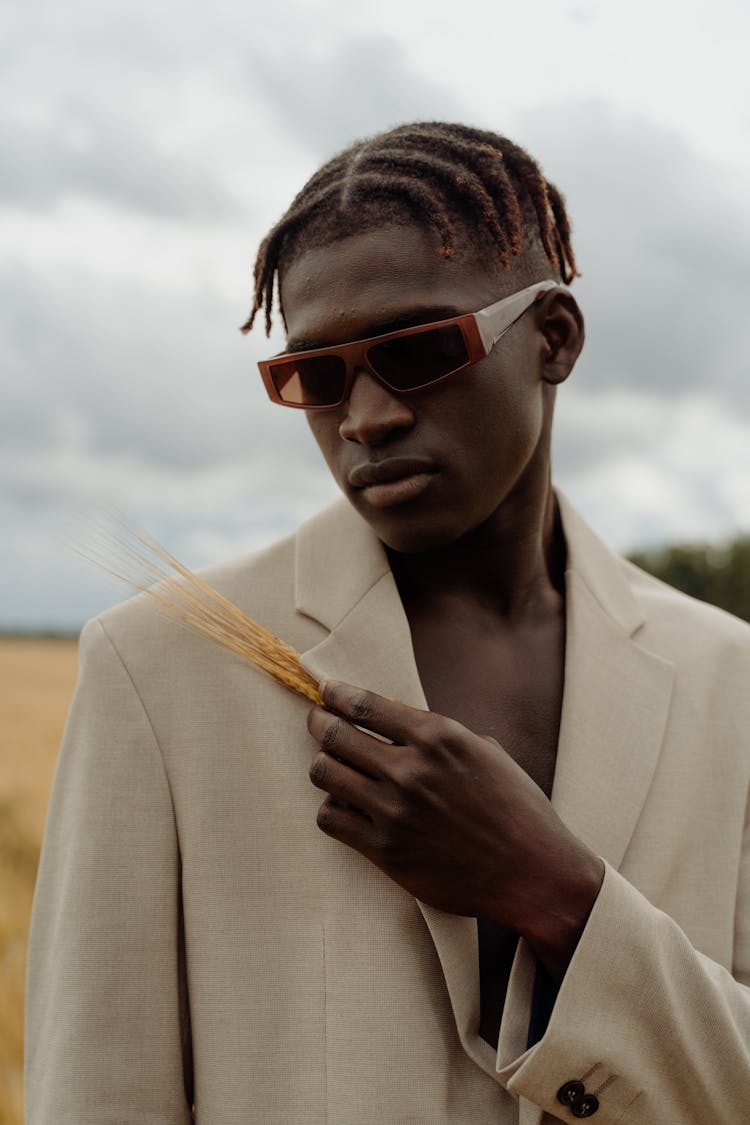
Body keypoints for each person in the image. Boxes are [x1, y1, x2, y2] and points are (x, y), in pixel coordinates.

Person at [25, 122, 750, 1124]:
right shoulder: (159, 668)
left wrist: (559, 897)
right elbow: (99, 1095)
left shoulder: (731, 681)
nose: (364, 417)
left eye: (415, 353)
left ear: (554, 339)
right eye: (316, 377)